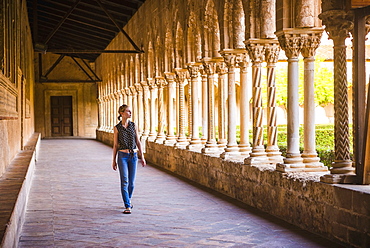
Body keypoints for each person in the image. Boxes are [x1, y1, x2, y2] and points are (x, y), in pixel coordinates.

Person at [112, 104, 146, 214]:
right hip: (122, 156)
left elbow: (138, 141)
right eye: (128, 111)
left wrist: (142, 157)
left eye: (130, 111)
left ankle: (128, 200)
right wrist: (113, 160)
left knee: (131, 183)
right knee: (124, 181)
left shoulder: (133, 126)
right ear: (121, 113)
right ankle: (127, 205)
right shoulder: (117, 128)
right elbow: (115, 145)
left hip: (133, 156)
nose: (130, 113)